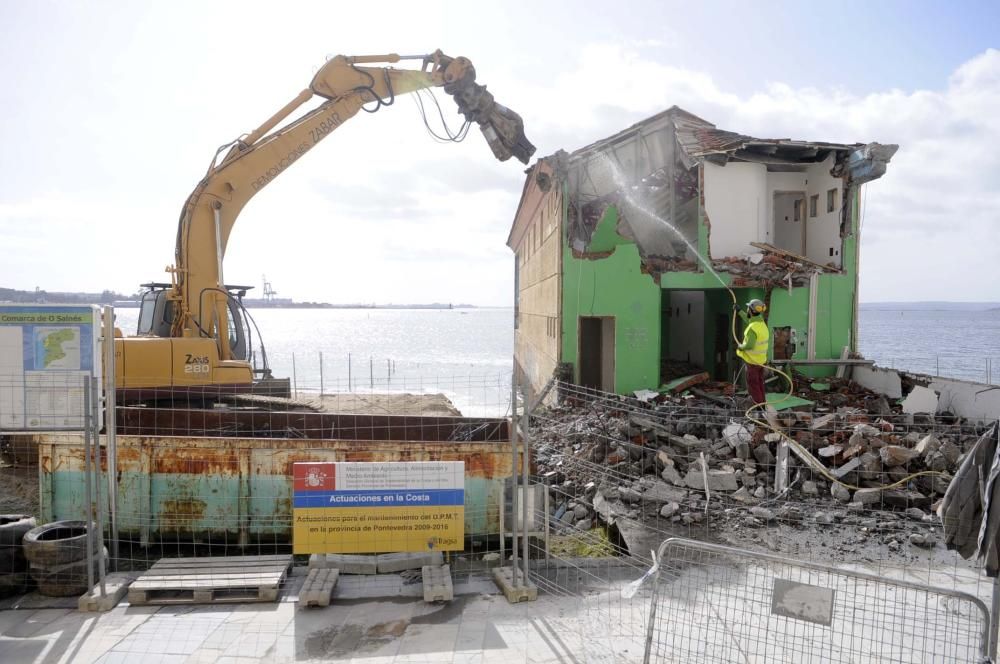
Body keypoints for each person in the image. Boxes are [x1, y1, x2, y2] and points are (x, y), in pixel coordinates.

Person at [734, 298, 770, 406]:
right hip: (761, 362)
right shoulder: (761, 323)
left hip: (752, 363)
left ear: (751, 310)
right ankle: (763, 404)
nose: (747, 309)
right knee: (759, 384)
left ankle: (758, 408)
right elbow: (749, 320)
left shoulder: (752, 329)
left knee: (753, 386)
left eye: (748, 308)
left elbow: (749, 345)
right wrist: (739, 311)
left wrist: (741, 347)